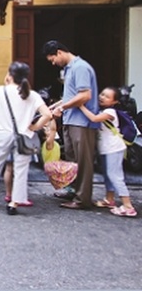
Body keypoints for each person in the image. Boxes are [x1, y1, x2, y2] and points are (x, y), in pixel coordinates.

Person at [0, 62, 52, 215]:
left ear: (10, 75)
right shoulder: (32, 95)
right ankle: (14, 202)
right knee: (21, 169)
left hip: (4, 133)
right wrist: (34, 127)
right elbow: (48, 114)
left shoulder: (0, 91)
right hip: (24, 135)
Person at [43, 40, 99, 209]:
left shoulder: (80, 68)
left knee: (83, 161)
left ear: (60, 52)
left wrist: (62, 106)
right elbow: (72, 95)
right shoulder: (70, 69)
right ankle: (73, 190)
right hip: (71, 119)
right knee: (73, 160)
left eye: (53, 59)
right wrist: (56, 105)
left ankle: (82, 199)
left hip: (81, 122)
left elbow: (85, 95)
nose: (53, 63)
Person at [79, 87, 137, 217]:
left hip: (114, 148)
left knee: (114, 175)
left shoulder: (110, 111)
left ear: (114, 101)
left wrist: (81, 106)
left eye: (107, 96)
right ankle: (109, 199)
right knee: (107, 174)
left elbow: (94, 119)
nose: (102, 97)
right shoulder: (104, 110)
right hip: (106, 148)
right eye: (102, 94)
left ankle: (128, 206)